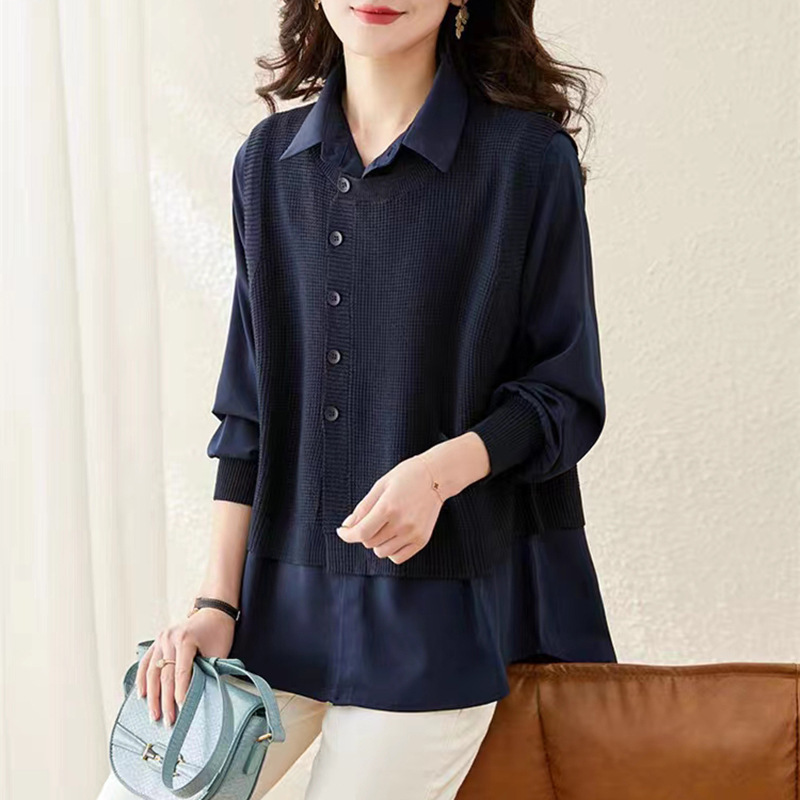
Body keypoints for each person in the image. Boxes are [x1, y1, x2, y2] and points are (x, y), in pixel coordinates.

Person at [98, 1, 616, 797]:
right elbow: (249, 412)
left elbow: (564, 394)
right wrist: (215, 605)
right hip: (277, 608)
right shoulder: (268, 163)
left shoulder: (525, 162)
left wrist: (438, 475)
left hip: (435, 621)